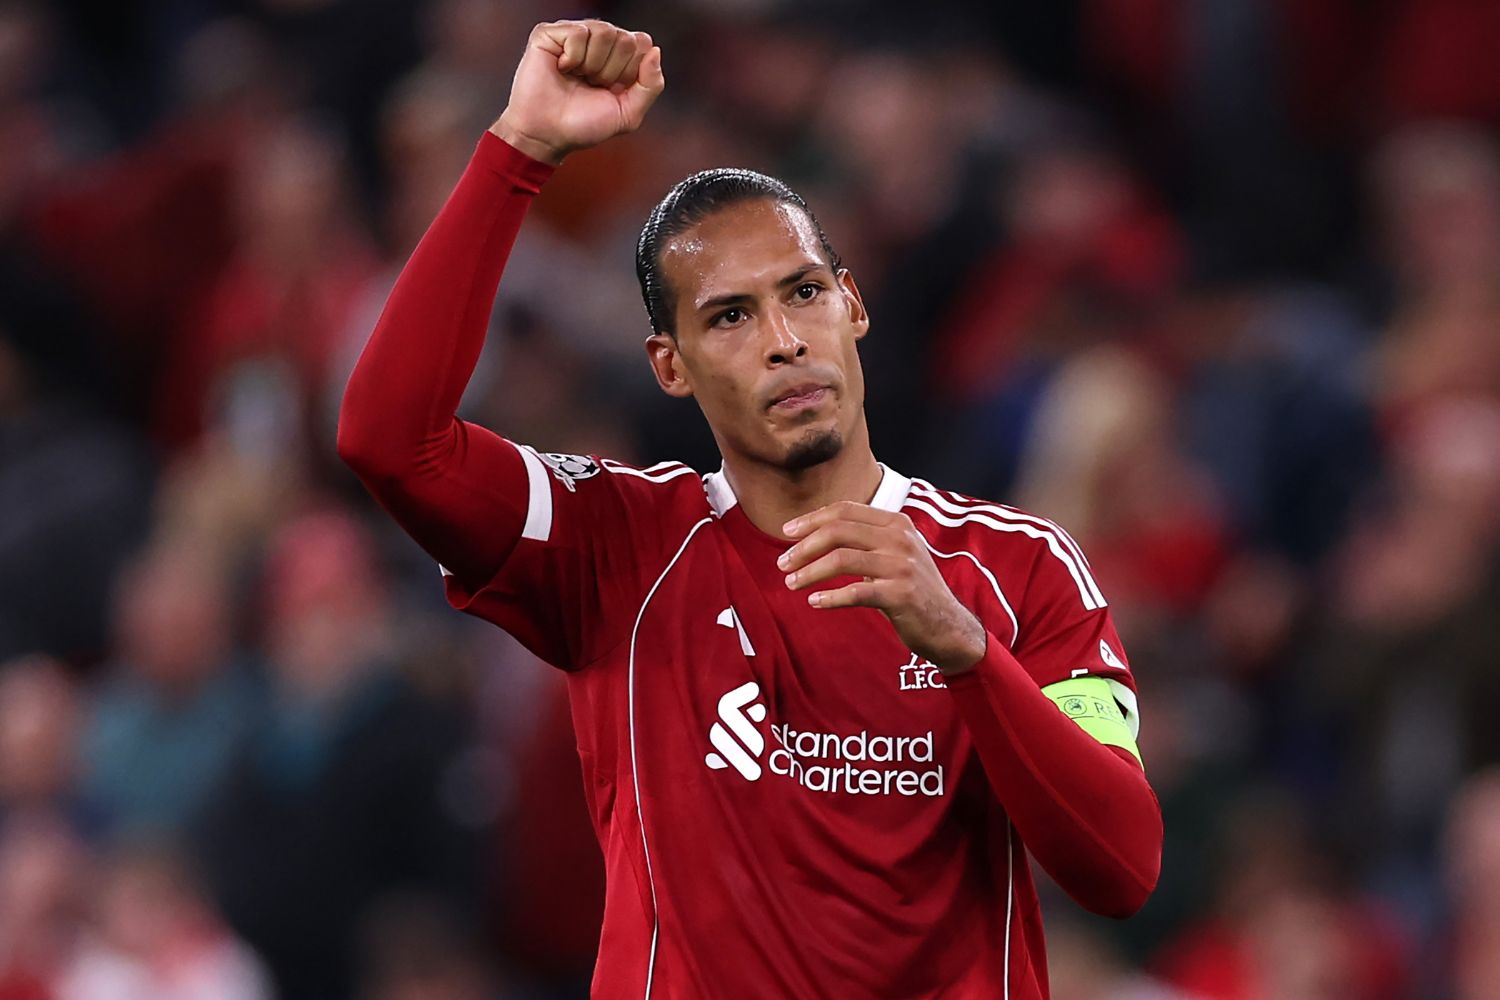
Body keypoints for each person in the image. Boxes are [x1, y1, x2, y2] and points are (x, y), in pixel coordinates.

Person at [338, 19, 1162, 999]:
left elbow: (1120, 869)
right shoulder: (617, 545)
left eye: (804, 293)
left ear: (853, 306)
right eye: (730, 315)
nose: (783, 340)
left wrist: (965, 647)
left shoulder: (1014, 565)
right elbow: (389, 440)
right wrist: (520, 149)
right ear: (669, 365)